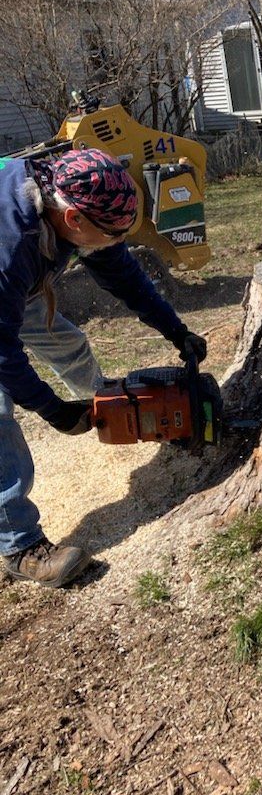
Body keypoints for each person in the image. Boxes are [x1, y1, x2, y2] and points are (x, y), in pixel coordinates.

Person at [0, 146, 206, 588]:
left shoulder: (73, 200)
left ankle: (110, 411)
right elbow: (2, 353)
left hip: (18, 280)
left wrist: (175, 330)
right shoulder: (11, 245)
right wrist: (51, 409)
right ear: (74, 221)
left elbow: (122, 274)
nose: (117, 243)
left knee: (67, 343)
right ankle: (20, 545)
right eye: (112, 235)